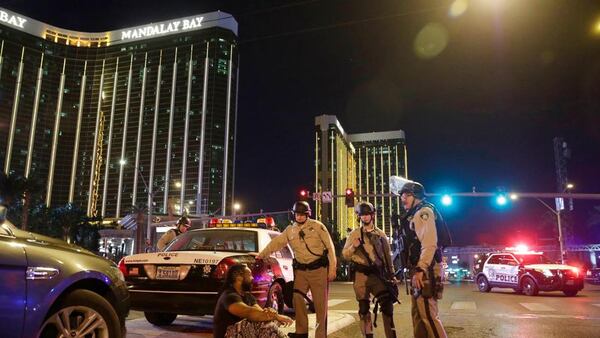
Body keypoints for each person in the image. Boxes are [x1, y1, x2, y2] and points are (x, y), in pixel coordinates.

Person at [257, 201, 336, 338]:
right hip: (301, 272)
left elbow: (330, 247)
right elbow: (276, 243)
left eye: (302, 214)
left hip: (318, 270)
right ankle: (301, 332)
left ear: (308, 214)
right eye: (297, 214)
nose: (299, 217)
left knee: (320, 306)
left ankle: (320, 335)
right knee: (297, 299)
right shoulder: (290, 230)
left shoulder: (317, 226)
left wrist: (332, 268)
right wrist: (261, 255)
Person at [391, 176, 447, 338]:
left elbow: (430, 243)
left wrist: (421, 269)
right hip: (419, 269)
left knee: (428, 316)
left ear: (416, 196)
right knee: (418, 317)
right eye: (402, 195)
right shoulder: (413, 214)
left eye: (406, 195)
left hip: (427, 269)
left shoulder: (424, 212)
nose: (403, 198)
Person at [342, 201, 398, 338]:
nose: (365, 217)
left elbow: (387, 256)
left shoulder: (380, 234)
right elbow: (345, 255)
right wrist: (353, 246)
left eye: (367, 214)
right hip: (361, 275)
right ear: (359, 217)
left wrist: (392, 275)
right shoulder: (354, 234)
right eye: (362, 215)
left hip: (377, 275)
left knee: (387, 306)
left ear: (372, 215)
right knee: (364, 309)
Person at [213, 264, 294, 338]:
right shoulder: (229, 296)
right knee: (262, 324)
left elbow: (260, 312)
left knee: (268, 323)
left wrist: (273, 315)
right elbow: (248, 312)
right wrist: (276, 316)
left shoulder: (248, 296)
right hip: (227, 335)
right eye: (250, 275)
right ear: (239, 277)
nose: (252, 278)